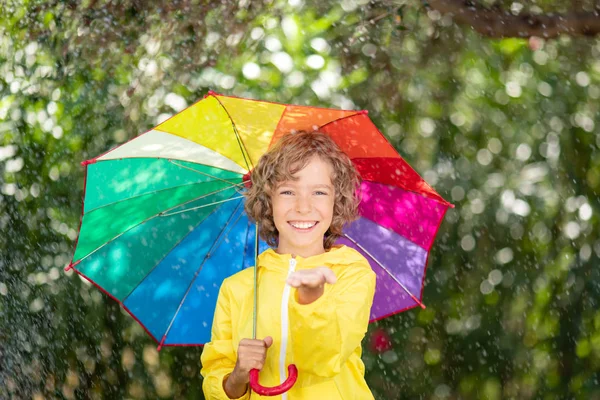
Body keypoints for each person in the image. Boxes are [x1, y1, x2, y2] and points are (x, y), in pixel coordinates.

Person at [200, 131, 376, 399]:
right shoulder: (237, 289)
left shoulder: (352, 273)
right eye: (287, 191)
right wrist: (237, 376)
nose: (303, 207)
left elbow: (327, 357)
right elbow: (216, 381)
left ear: (336, 200)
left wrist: (311, 302)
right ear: (267, 200)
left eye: (318, 192)